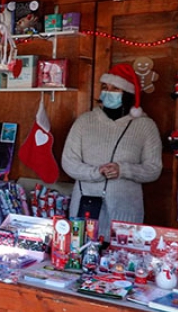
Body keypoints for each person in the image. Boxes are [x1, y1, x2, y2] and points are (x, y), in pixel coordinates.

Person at [62, 62, 163, 238]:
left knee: (121, 259)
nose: (108, 92)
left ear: (128, 94)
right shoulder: (84, 122)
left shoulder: (146, 126)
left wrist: (123, 170)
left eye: (115, 89)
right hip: (85, 208)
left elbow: (153, 169)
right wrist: (96, 172)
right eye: (105, 87)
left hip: (126, 212)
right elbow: (69, 162)